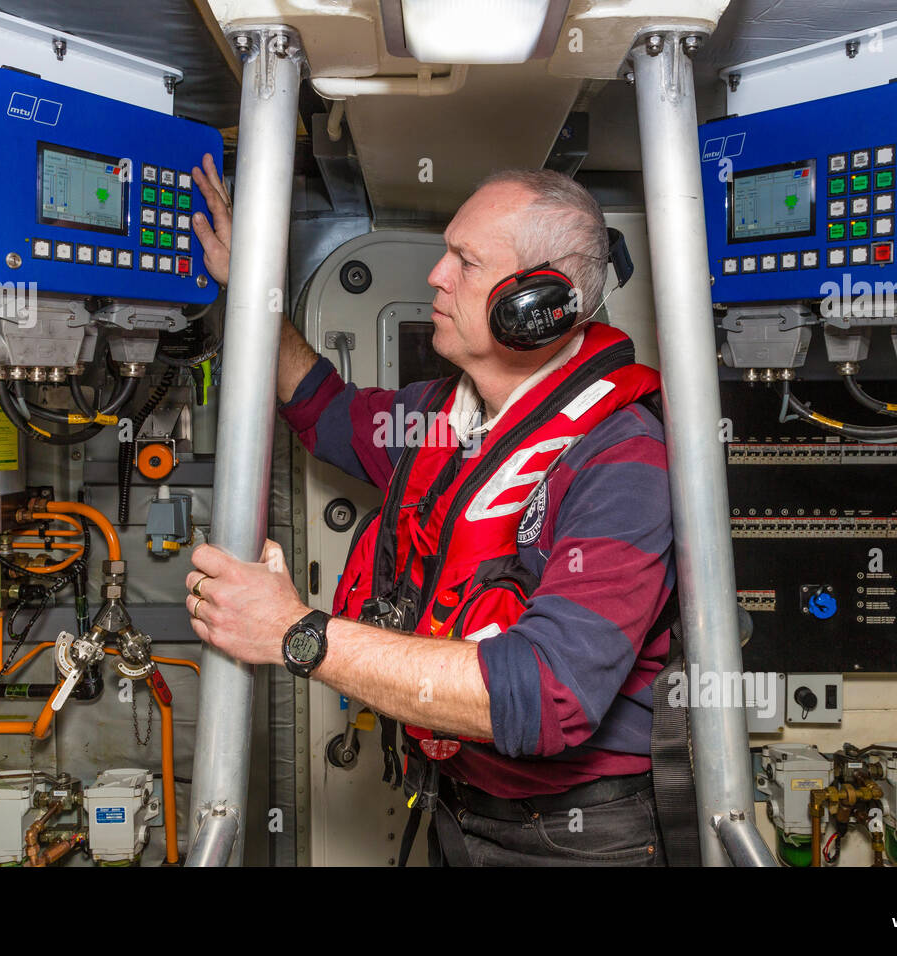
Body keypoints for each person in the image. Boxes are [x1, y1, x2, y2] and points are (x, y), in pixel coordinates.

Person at [183, 155, 676, 866]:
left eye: (465, 262)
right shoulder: (443, 417)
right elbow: (325, 412)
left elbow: (547, 695)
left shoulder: (623, 462)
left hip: (574, 839)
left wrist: (296, 632)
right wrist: (249, 293)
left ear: (539, 302)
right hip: (457, 807)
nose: (435, 276)